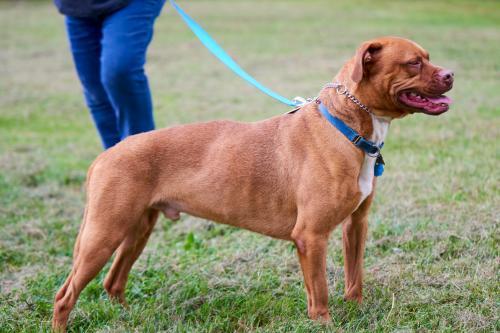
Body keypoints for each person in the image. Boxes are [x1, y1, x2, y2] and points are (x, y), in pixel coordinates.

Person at [54, 0, 166, 149]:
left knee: (120, 71)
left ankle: (142, 157)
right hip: (77, 6)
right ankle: (113, 165)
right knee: (95, 88)